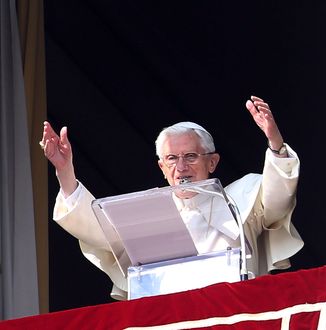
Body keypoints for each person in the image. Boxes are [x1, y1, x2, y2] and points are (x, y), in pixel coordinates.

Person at [40, 95, 304, 300]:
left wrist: (275, 143)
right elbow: (97, 230)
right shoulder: (148, 210)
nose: (181, 167)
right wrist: (65, 171)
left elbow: (278, 198)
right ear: (162, 168)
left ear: (213, 162)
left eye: (190, 156)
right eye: (172, 159)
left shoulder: (241, 197)